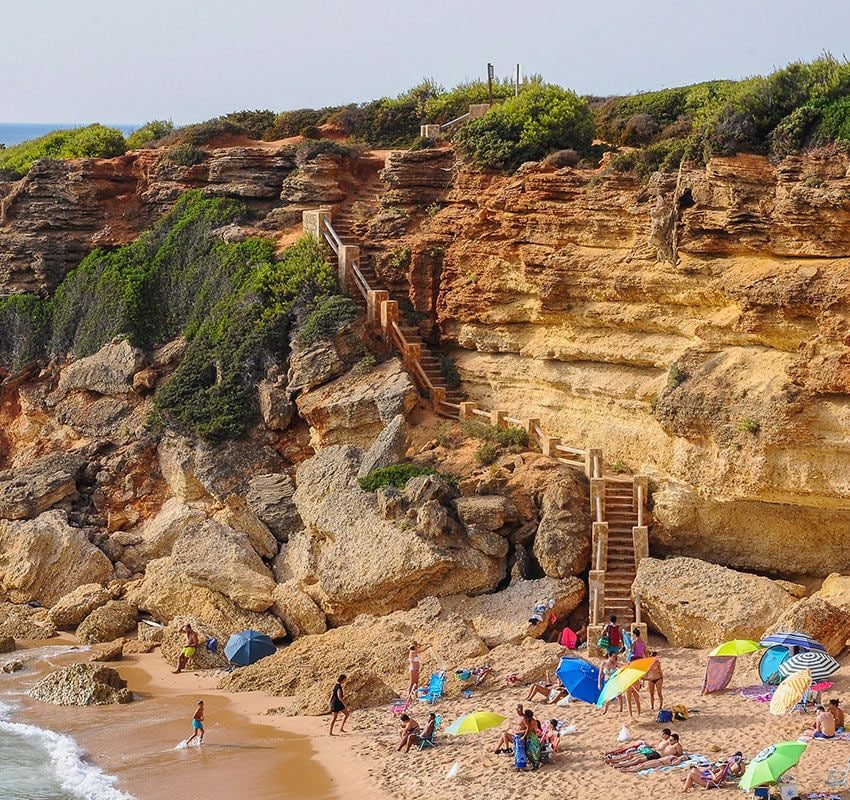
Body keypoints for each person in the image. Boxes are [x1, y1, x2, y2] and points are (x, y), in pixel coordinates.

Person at [618, 734, 684, 772]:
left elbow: (680, 754)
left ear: (676, 740)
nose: (669, 741)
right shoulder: (668, 743)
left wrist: (673, 756)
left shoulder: (677, 745)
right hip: (654, 751)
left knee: (639, 760)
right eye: (669, 739)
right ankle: (622, 763)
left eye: (671, 740)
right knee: (636, 756)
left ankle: (624, 766)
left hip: (658, 755)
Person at [605, 729, 671, 762]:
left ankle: (614, 757)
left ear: (667, 735)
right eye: (662, 734)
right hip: (651, 749)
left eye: (664, 735)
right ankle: (613, 753)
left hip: (652, 751)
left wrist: (651, 747)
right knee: (631, 747)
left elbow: (660, 749)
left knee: (631, 752)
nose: (662, 736)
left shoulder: (668, 742)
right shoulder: (663, 741)